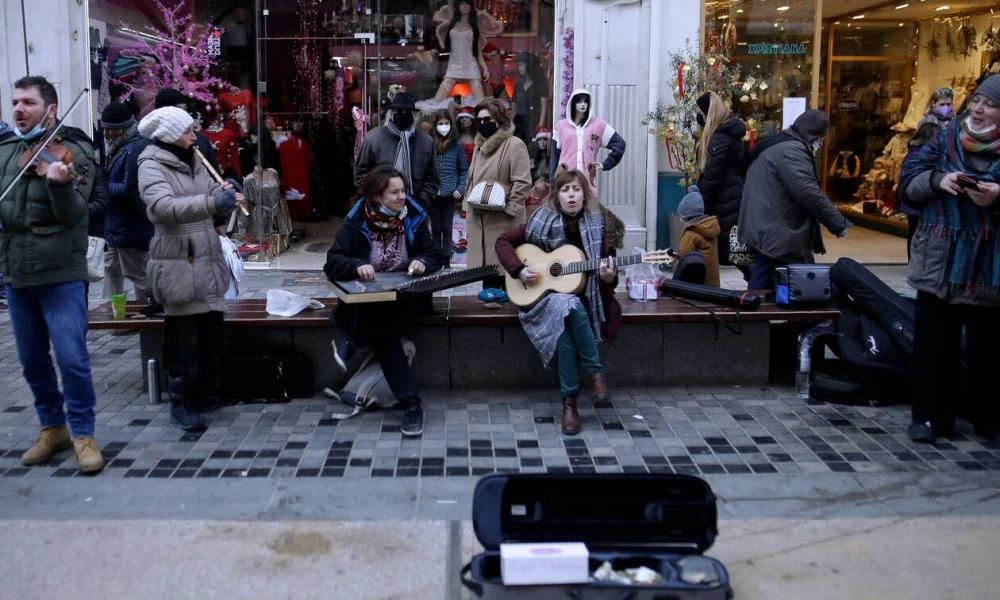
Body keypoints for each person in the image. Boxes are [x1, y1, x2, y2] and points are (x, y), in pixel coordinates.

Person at [0, 76, 103, 474]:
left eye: (27, 102)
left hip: (61, 274)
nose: (19, 110)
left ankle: (83, 433)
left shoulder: (73, 152)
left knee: (71, 358)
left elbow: (76, 215)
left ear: (51, 109)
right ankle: (52, 427)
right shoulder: (8, 152)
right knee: (31, 361)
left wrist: (61, 188)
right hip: (18, 273)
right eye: (15, 103)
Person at [898, 75, 1000, 444]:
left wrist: (996, 196)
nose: (980, 109)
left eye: (990, 105)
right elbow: (908, 181)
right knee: (932, 347)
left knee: (987, 350)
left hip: (988, 266)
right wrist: (938, 181)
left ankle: (987, 418)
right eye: (977, 101)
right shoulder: (944, 138)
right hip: (939, 261)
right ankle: (928, 417)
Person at [137, 106, 241, 431]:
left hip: (205, 255)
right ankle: (180, 400)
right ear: (170, 135)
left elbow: (204, 194)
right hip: (177, 258)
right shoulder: (151, 164)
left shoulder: (193, 158)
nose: (193, 137)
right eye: (187, 132)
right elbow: (161, 208)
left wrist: (222, 192)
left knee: (209, 330)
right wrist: (212, 204)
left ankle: (205, 391)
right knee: (183, 337)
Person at [495, 169, 621, 436]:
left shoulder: (598, 224)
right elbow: (503, 241)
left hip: (587, 300)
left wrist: (609, 277)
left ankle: (570, 404)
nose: (571, 195)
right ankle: (595, 372)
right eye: (565, 190)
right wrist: (518, 270)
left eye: (576, 190)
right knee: (565, 307)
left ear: (584, 195)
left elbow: (609, 277)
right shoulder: (541, 219)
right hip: (541, 297)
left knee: (567, 315)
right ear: (557, 196)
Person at [323, 165, 445, 437]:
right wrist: (356, 265)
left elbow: (436, 255)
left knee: (379, 322)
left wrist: (422, 261)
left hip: (409, 298)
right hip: (373, 302)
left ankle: (351, 340)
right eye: (394, 192)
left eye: (403, 191)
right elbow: (332, 262)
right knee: (383, 328)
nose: (402, 197)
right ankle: (411, 404)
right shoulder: (356, 222)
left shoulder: (413, 216)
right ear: (377, 196)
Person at [738, 110, 849, 291]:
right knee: (804, 278)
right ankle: (807, 316)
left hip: (767, 223)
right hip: (776, 228)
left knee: (766, 275)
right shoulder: (792, 151)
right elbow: (808, 192)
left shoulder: (783, 144)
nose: (821, 143)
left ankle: (755, 312)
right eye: (820, 138)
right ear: (812, 135)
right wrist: (838, 223)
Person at [465, 98, 532, 290]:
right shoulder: (479, 146)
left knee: (506, 274)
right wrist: (467, 207)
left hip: (504, 222)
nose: (483, 123)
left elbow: (523, 182)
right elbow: (471, 178)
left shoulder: (514, 145)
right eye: (479, 119)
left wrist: (510, 208)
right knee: (489, 279)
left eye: (488, 119)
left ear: (500, 119)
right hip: (480, 220)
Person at [101, 102, 153, 303]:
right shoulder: (121, 147)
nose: (106, 135)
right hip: (116, 225)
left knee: (139, 275)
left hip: (129, 226)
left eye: (110, 131)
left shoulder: (135, 149)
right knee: (112, 271)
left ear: (122, 129)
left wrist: (104, 187)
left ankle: (148, 313)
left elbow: (132, 187)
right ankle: (114, 315)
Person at [354, 92, 440, 209]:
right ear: (391, 113)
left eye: (407, 112)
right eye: (398, 111)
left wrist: (422, 200)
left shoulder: (425, 141)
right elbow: (360, 173)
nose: (403, 114)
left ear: (414, 114)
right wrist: (375, 196)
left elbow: (433, 178)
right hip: (380, 206)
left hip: (416, 206)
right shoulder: (373, 138)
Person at [899, 87, 955, 253]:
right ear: (933, 104)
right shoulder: (928, 127)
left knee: (917, 231)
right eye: (942, 104)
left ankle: (915, 262)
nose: (946, 107)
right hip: (925, 190)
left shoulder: (954, 123)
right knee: (919, 231)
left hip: (925, 190)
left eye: (948, 104)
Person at [695, 92, 746, 269]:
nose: (698, 119)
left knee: (737, 254)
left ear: (708, 114)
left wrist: (699, 206)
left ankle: (758, 288)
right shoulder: (731, 135)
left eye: (701, 114)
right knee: (739, 254)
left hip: (725, 203)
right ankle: (758, 287)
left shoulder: (720, 138)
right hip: (732, 198)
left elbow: (711, 176)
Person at [424, 0, 503, 106]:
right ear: (458, 6)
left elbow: (477, 51)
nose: (465, 6)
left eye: (467, 4)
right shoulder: (451, 24)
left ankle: (481, 120)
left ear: (471, 6)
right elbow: (445, 46)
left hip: (471, 66)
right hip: (453, 67)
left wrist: (485, 68)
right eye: (462, 3)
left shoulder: (474, 27)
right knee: (436, 102)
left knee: (481, 103)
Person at [552, 89, 626, 192]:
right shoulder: (561, 126)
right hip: (565, 181)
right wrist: (553, 179)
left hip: (587, 182)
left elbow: (620, 144)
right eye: (579, 101)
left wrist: (605, 164)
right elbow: (555, 156)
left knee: (588, 206)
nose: (583, 104)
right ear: (572, 103)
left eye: (585, 101)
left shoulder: (598, 125)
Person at [430, 109, 468, 267]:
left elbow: (464, 170)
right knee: (435, 228)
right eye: (440, 123)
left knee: (446, 228)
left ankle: (446, 260)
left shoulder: (457, 145)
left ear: (451, 125)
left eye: (446, 123)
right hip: (433, 194)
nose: (443, 126)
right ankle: (435, 259)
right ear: (435, 125)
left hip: (450, 193)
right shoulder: (430, 143)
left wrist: (460, 188)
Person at [677, 185, 721, 287]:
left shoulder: (690, 233)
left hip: (697, 288)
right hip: (713, 287)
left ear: (686, 216)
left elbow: (683, 258)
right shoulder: (710, 227)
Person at [512, 52, 549, 145]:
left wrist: (540, 126)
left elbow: (544, 108)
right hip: (519, 123)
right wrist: (511, 125)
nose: (519, 68)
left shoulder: (540, 85)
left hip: (533, 122)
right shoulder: (518, 85)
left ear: (529, 66)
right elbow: (514, 107)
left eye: (522, 65)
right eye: (519, 65)